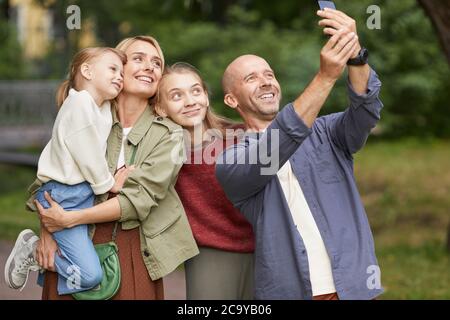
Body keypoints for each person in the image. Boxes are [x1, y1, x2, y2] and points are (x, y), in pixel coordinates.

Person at [215, 9, 384, 300]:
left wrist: (355, 55)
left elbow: (366, 111)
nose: (266, 81)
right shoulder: (231, 162)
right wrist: (325, 77)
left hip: (354, 287)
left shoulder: (327, 132)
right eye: (251, 78)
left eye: (269, 74)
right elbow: (276, 145)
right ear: (232, 99)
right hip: (292, 291)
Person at [31, 36, 199, 300]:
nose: (150, 66)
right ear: (116, 68)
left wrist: (68, 219)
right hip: (75, 245)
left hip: (132, 248)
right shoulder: (87, 114)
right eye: (138, 59)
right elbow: (53, 176)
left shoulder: (171, 135)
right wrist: (48, 230)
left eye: (156, 63)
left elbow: (137, 200)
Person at [4, 47, 129, 295]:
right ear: (87, 71)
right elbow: (88, 154)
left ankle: (41, 259)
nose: (120, 77)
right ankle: (33, 249)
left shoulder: (99, 107)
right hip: (63, 195)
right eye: (113, 69)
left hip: (78, 198)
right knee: (90, 275)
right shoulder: (79, 102)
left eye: (123, 73)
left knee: (80, 266)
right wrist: (108, 184)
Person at [154, 62, 254, 299]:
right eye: (176, 95)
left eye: (196, 91)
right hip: (209, 251)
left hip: (262, 246)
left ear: (207, 97)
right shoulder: (162, 156)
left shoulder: (241, 137)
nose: (190, 101)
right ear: (160, 108)